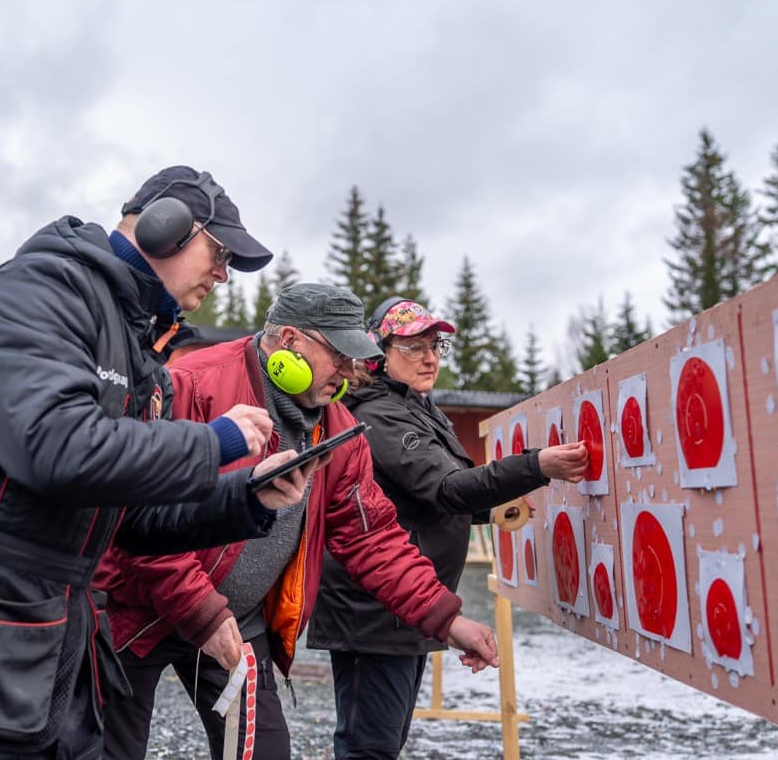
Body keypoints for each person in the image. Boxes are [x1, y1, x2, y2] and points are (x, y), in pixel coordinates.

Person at [0, 166, 318, 760]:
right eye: (219, 250)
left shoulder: (138, 348)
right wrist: (216, 444)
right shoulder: (42, 290)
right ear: (166, 228)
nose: (222, 272)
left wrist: (245, 499)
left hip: (33, 630)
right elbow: (55, 447)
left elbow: (126, 517)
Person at [95, 283, 504, 760]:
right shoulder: (191, 382)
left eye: (357, 359)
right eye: (340, 356)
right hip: (133, 613)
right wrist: (201, 611)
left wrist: (447, 619)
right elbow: (135, 512)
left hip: (237, 620)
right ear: (290, 340)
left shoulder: (340, 430)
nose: (350, 373)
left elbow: (373, 539)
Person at [307, 297, 589, 759]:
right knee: (368, 748)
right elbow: (447, 489)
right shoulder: (377, 413)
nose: (431, 357)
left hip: (403, 607)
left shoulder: (414, 406)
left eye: (434, 345)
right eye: (414, 347)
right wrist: (536, 465)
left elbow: (421, 499)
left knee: (382, 745)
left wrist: (490, 510)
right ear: (379, 351)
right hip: (374, 612)